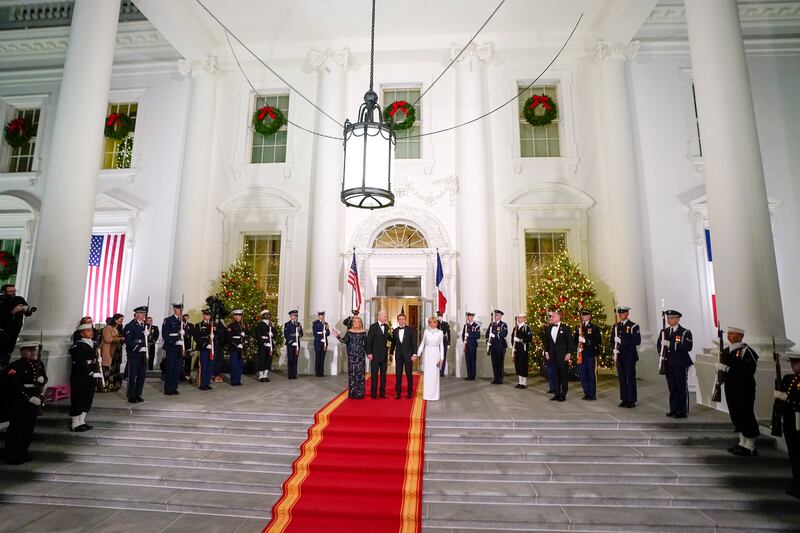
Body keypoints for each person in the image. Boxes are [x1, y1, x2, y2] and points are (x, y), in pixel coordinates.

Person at [2, 341, 46, 464]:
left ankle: (23, 452)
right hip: (19, 402)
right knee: (16, 429)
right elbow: (14, 385)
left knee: (28, 429)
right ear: (22, 352)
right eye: (29, 350)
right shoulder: (15, 367)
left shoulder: (38, 364)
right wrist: (28, 397)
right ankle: (11, 455)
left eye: (33, 350)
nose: (32, 353)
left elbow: (44, 377)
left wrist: (42, 380)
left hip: (33, 401)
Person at [719, 326, 760, 456]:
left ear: (740, 336)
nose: (729, 336)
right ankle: (742, 442)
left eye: (732, 334)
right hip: (731, 388)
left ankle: (751, 446)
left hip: (744, 388)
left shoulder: (747, 351)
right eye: (728, 333)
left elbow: (748, 371)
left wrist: (727, 369)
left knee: (746, 414)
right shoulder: (726, 351)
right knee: (736, 414)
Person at [657, 310, 694, 419]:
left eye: (672, 318)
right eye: (668, 318)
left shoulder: (685, 332)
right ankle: (673, 409)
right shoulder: (664, 332)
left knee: (680, 386)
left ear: (678, 319)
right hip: (668, 362)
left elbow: (688, 347)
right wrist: (661, 353)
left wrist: (670, 345)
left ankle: (681, 411)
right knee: (672, 387)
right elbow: (659, 345)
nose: (669, 320)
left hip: (680, 363)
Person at [775, 351, 800, 500]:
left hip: (798, 422)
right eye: (792, 362)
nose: (792, 365)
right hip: (790, 423)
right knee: (793, 455)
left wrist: (787, 398)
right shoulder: (788, 379)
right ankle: (796, 483)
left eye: (795, 362)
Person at [70, 321, 101, 431]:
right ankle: (75, 423)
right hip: (81, 375)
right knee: (79, 398)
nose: (91, 332)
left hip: (91, 375)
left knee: (88, 398)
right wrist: (90, 372)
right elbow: (80, 362)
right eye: (88, 331)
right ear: (81, 333)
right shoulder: (77, 345)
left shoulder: (93, 344)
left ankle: (82, 421)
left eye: (91, 330)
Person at [611, 306, 641, 408]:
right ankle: (624, 398)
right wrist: (613, 349)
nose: (620, 315)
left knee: (630, 378)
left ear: (627, 314)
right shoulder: (616, 326)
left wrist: (622, 341)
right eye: (619, 313)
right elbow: (612, 341)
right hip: (619, 356)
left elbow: (637, 341)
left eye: (623, 313)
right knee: (622, 379)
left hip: (629, 356)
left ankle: (632, 400)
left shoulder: (633, 326)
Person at [0, 284, 35, 369]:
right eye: (10, 291)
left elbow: (28, 313)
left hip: (14, 331)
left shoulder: (19, 299)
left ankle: (3, 371)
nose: (13, 293)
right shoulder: (1, 301)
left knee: (7, 353)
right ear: (4, 292)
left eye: (14, 291)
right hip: (2, 331)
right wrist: (13, 312)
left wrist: (26, 310)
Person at [543, 310, 575, 401]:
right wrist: (546, 352)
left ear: (558, 317)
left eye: (553, 317)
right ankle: (557, 393)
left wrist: (569, 353)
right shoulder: (549, 328)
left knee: (563, 375)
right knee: (554, 375)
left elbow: (570, 342)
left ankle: (563, 394)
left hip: (562, 355)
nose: (551, 318)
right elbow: (546, 342)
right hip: (552, 356)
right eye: (551, 317)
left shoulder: (565, 328)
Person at [333, 316, 367, 399]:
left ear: (360, 323)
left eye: (358, 322)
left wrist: (369, 353)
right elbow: (344, 341)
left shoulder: (364, 332)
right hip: (351, 355)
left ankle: (360, 393)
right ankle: (352, 392)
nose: (356, 323)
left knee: (360, 373)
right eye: (354, 321)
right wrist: (337, 336)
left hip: (360, 356)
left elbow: (366, 344)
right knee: (352, 373)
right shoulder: (349, 332)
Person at [123, 306, 148, 404]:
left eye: (144, 313)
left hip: (143, 353)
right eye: (142, 313)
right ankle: (131, 395)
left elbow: (146, 340)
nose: (143, 315)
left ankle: (138, 394)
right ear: (136, 314)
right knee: (132, 375)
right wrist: (138, 348)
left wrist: (147, 336)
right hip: (134, 353)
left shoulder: (145, 326)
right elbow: (128, 341)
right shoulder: (130, 325)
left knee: (142, 375)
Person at [575, 309, 601, 400]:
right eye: (582, 315)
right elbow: (575, 339)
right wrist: (578, 346)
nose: (583, 317)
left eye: (585, 315)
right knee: (583, 374)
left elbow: (598, 341)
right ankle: (586, 393)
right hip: (581, 354)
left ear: (589, 316)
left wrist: (586, 341)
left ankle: (592, 394)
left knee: (590, 374)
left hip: (590, 354)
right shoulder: (578, 327)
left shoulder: (594, 327)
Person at [391, 313, 417, 399]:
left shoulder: (411, 330)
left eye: (403, 319)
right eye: (400, 319)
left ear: (405, 320)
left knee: (409, 374)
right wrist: (391, 353)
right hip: (398, 355)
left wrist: (414, 354)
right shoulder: (394, 331)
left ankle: (409, 393)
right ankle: (398, 393)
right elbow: (393, 343)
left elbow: (414, 343)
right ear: (398, 320)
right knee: (398, 374)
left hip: (408, 355)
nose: (401, 320)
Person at [365, 310, 390, 399]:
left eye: (386, 316)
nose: (385, 317)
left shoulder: (387, 327)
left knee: (383, 376)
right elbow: (368, 341)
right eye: (384, 316)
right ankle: (373, 393)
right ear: (379, 317)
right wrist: (369, 353)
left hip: (384, 356)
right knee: (374, 375)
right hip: (374, 355)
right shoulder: (373, 327)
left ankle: (382, 393)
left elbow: (389, 339)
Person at [418, 316, 444, 401]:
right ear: (429, 323)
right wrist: (418, 353)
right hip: (428, 354)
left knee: (435, 375)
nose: (432, 324)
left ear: (436, 323)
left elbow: (442, 346)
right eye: (431, 322)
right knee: (428, 375)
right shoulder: (426, 331)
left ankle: (434, 396)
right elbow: (423, 343)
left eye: (434, 322)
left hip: (436, 353)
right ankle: (427, 396)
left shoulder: (440, 332)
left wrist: (441, 359)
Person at [161, 303, 184, 395]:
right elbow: (165, 334)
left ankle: (174, 387)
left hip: (179, 347)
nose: (180, 310)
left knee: (177, 368)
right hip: (171, 347)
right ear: (174, 309)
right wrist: (174, 342)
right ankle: (168, 388)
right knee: (170, 368)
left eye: (181, 309)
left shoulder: (182, 321)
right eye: (178, 309)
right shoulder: (168, 320)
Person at [193, 309, 216, 390]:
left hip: (211, 349)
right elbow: (197, 337)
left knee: (210, 366)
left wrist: (214, 338)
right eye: (206, 315)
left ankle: (207, 383)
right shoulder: (198, 325)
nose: (208, 316)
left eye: (209, 315)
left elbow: (217, 336)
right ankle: (202, 384)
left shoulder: (212, 325)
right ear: (203, 315)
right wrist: (205, 345)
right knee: (203, 366)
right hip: (204, 348)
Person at [101, 314, 124, 391]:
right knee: (108, 369)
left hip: (116, 352)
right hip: (109, 351)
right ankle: (106, 386)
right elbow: (107, 339)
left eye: (122, 319)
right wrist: (119, 339)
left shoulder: (117, 328)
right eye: (121, 319)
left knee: (115, 369)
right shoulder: (108, 328)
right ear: (115, 320)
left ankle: (113, 385)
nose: (122, 321)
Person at [511, 312, 533, 389]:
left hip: (523, 349)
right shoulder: (515, 328)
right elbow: (512, 338)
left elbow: (529, 338)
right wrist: (513, 347)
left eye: (520, 318)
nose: (519, 319)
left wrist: (520, 340)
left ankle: (524, 383)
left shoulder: (527, 327)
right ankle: (520, 382)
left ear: (524, 318)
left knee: (523, 365)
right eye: (518, 318)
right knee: (518, 365)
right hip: (517, 349)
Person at [486, 310, 509, 385]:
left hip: (500, 346)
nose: (495, 316)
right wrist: (488, 341)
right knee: (494, 363)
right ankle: (495, 378)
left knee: (500, 363)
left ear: (500, 316)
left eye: (497, 315)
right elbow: (487, 334)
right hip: (493, 346)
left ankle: (500, 379)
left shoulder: (503, 324)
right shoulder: (491, 324)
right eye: (495, 315)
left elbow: (504, 334)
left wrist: (495, 335)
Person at [254, 310, 276, 382]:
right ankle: (261, 375)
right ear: (262, 315)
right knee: (262, 359)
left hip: (270, 344)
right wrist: (264, 342)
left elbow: (275, 334)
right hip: (263, 344)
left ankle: (266, 375)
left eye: (268, 314)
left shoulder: (271, 324)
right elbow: (258, 335)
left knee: (269, 359)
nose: (267, 315)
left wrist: (272, 334)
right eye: (265, 314)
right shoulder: (260, 324)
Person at [226, 310, 246, 386]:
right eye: (237, 315)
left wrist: (244, 336)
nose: (239, 317)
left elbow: (244, 337)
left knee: (240, 364)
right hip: (234, 347)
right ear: (234, 316)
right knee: (234, 364)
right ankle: (234, 380)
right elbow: (229, 338)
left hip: (241, 347)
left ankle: (238, 380)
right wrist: (236, 345)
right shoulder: (231, 326)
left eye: (240, 316)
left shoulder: (243, 325)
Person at [284, 310, 303, 379]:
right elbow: (286, 335)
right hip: (290, 344)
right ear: (290, 316)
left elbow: (302, 334)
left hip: (297, 344)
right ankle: (290, 374)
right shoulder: (287, 324)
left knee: (295, 359)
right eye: (293, 315)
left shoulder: (298, 324)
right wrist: (292, 341)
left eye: (295, 315)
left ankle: (294, 373)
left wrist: (299, 332)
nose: (294, 316)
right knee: (290, 359)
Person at [461, 311, 480, 380]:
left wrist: (469, 335)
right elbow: (463, 335)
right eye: (468, 316)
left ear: (472, 317)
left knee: (473, 361)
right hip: (467, 345)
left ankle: (473, 376)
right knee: (468, 360)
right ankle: (469, 375)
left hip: (473, 345)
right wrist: (464, 340)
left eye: (470, 316)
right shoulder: (465, 325)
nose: (469, 317)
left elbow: (478, 336)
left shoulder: (476, 326)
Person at [312, 311, 330, 377]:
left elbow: (328, 333)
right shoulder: (315, 323)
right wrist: (320, 339)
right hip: (318, 343)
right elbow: (315, 334)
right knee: (318, 357)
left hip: (324, 343)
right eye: (321, 315)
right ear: (319, 316)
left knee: (322, 358)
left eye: (323, 315)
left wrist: (326, 330)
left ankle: (321, 372)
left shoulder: (326, 323)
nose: (322, 317)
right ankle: (317, 372)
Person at [437, 310, 451, 378]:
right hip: (437, 342)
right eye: (439, 316)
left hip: (444, 341)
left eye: (441, 316)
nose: (440, 317)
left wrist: (449, 343)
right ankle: (437, 371)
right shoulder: (435, 323)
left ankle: (442, 371)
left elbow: (448, 333)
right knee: (437, 357)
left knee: (443, 357)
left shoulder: (445, 324)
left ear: (442, 316)